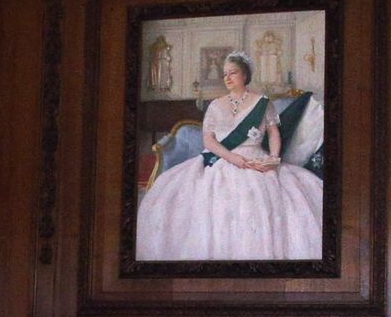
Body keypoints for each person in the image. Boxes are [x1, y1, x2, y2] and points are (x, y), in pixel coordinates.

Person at [135, 50, 323, 262]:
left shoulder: (263, 103)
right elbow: (209, 141)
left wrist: (273, 158)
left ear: (245, 75)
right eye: (225, 74)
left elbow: (274, 134)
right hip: (222, 159)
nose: (227, 78)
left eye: (232, 73)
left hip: (256, 160)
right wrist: (232, 158)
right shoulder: (215, 105)